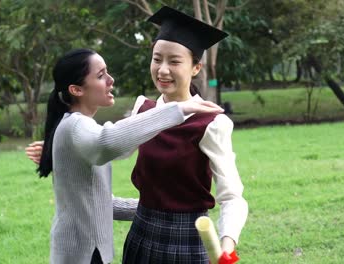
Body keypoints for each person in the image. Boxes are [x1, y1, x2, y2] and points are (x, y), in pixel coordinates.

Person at [34, 48, 223, 264]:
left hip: (89, 251)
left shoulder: (77, 127)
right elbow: (109, 141)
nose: (111, 80)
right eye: (100, 75)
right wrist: (177, 109)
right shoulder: (76, 125)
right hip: (80, 254)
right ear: (76, 89)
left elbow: (99, 202)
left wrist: (155, 212)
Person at [121, 6, 248, 263]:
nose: (163, 70)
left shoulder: (211, 123)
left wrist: (227, 245)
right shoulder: (142, 108)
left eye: (175, 61)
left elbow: (232, 196)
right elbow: (107, 146)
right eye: (157, 59)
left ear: (196, 67)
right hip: (140, 234)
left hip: (186, 240)